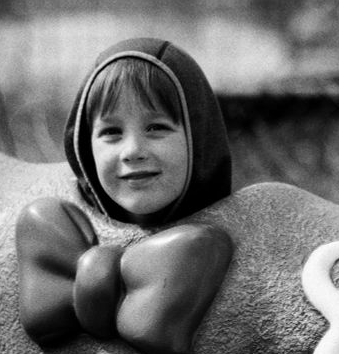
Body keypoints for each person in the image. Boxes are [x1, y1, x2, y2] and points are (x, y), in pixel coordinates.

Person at [64, 37, 232, 227]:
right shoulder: (69, 230)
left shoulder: (250, 236)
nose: (132, 151)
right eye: (112, 131)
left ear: (199, 139)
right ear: (86, 149)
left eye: (156, 128)